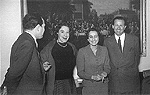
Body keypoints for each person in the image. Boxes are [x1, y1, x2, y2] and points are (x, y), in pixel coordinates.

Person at [0, 13, 51, 95]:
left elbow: (23, 66)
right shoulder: (27, 43)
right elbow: (15, 72)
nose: (44, 29)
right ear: (38, 28)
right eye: (44, 26)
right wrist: (5, 88)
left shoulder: (24, 39)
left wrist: (41, 67)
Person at [104, 16, 140, 95]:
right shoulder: (107, 42)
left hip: (131, 81)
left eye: (121, 25)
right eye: (116, 25)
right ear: (113, 26)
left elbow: (136, 59)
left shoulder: (134, 39)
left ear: (125, 27)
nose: (118, 28)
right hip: (115, 81)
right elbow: (107, 61)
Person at [40, 25, 77, 95]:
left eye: (67, 32)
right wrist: (43, 67)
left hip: (70, 84)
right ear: (57, 32)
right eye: (62, 32)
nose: (65, 35)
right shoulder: (49, 48)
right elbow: (40, 66)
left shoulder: (72, 47)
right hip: (56, 85)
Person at [76, 28, 111, 95]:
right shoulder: (82, 51)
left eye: (95, 36)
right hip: (89, 87)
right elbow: (80, 72)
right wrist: (92, 77)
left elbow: (107, 67)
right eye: (91, 37)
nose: (93, 39)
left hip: (103, 86)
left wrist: (105, 73)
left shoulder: (104, 50)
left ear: (99, 37)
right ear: (88, 39)